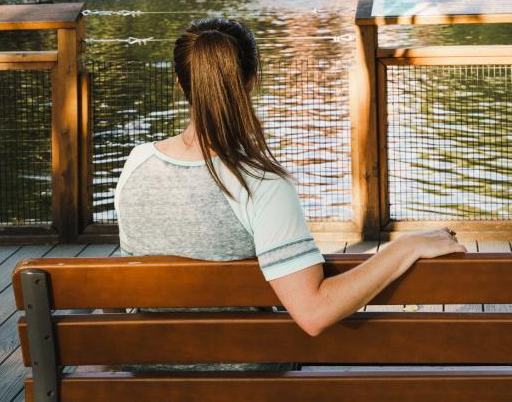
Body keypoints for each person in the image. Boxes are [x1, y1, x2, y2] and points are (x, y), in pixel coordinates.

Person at [114, 17, 465, 338]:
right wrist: (405, 247)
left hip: (145, 376)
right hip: (244, 385)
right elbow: (313, 312)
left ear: (180, 84)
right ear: (252, 81)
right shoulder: (260, 184)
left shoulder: (137, 164)